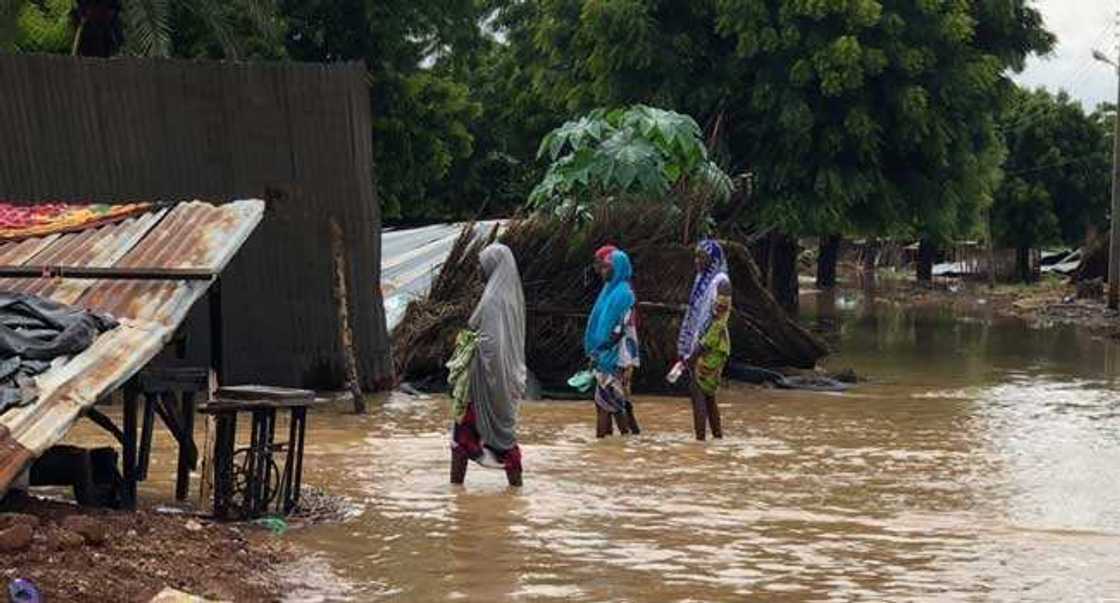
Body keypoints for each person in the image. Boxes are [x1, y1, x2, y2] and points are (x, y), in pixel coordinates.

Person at [447, 243, 527, 486]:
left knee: (463, 440)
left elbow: (491, 344)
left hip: (486, 381)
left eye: (483, 265)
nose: (480, 270)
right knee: (503, 439)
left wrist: (469, 346)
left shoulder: (493, 300)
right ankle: (515, 493)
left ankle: (455, 492)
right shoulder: (512, 300)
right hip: (506, 378)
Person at [584, 245, 641, 438]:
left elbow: (619, 330)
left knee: (611, 406)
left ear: (618, 268)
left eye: (607, 267)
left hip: (617, 358)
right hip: (607, 356)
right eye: (602, 267)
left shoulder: (624, 294)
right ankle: (614, 446)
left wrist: (599, 352)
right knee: (610, 405)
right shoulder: (610, 291)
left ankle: (617, 443)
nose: (602, 271)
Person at [677, 239, 732, 440]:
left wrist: (698, 350)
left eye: (702, 256)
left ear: (714, 259)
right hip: (699, 346)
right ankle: (717, 439)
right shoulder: (701, 281)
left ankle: (700, 442)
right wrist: (686, 347)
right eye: (696, 256)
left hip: (714, 347)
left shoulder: (722, 283)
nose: (697, 260)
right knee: (708, 396)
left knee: (698, 391)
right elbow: (693, 316)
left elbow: (719, 322)